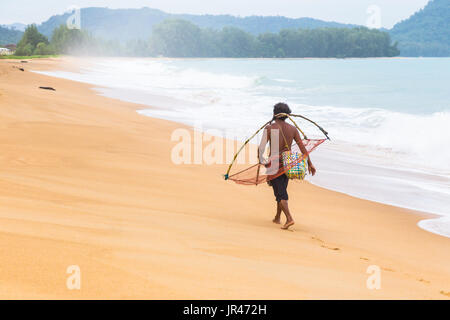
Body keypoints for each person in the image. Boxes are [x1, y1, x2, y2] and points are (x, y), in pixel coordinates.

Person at [258, 103, 316, 230]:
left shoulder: (269, 128)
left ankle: (289, 218)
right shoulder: (293, 129)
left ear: (274, 114)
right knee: (281, 188)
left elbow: (261, 147)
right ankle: (277, 217)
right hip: (288, 163)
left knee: (280, 193)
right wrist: (310, 163)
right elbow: (302, 148)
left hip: (274, 164)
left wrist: (261, 160)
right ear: (287, 116)